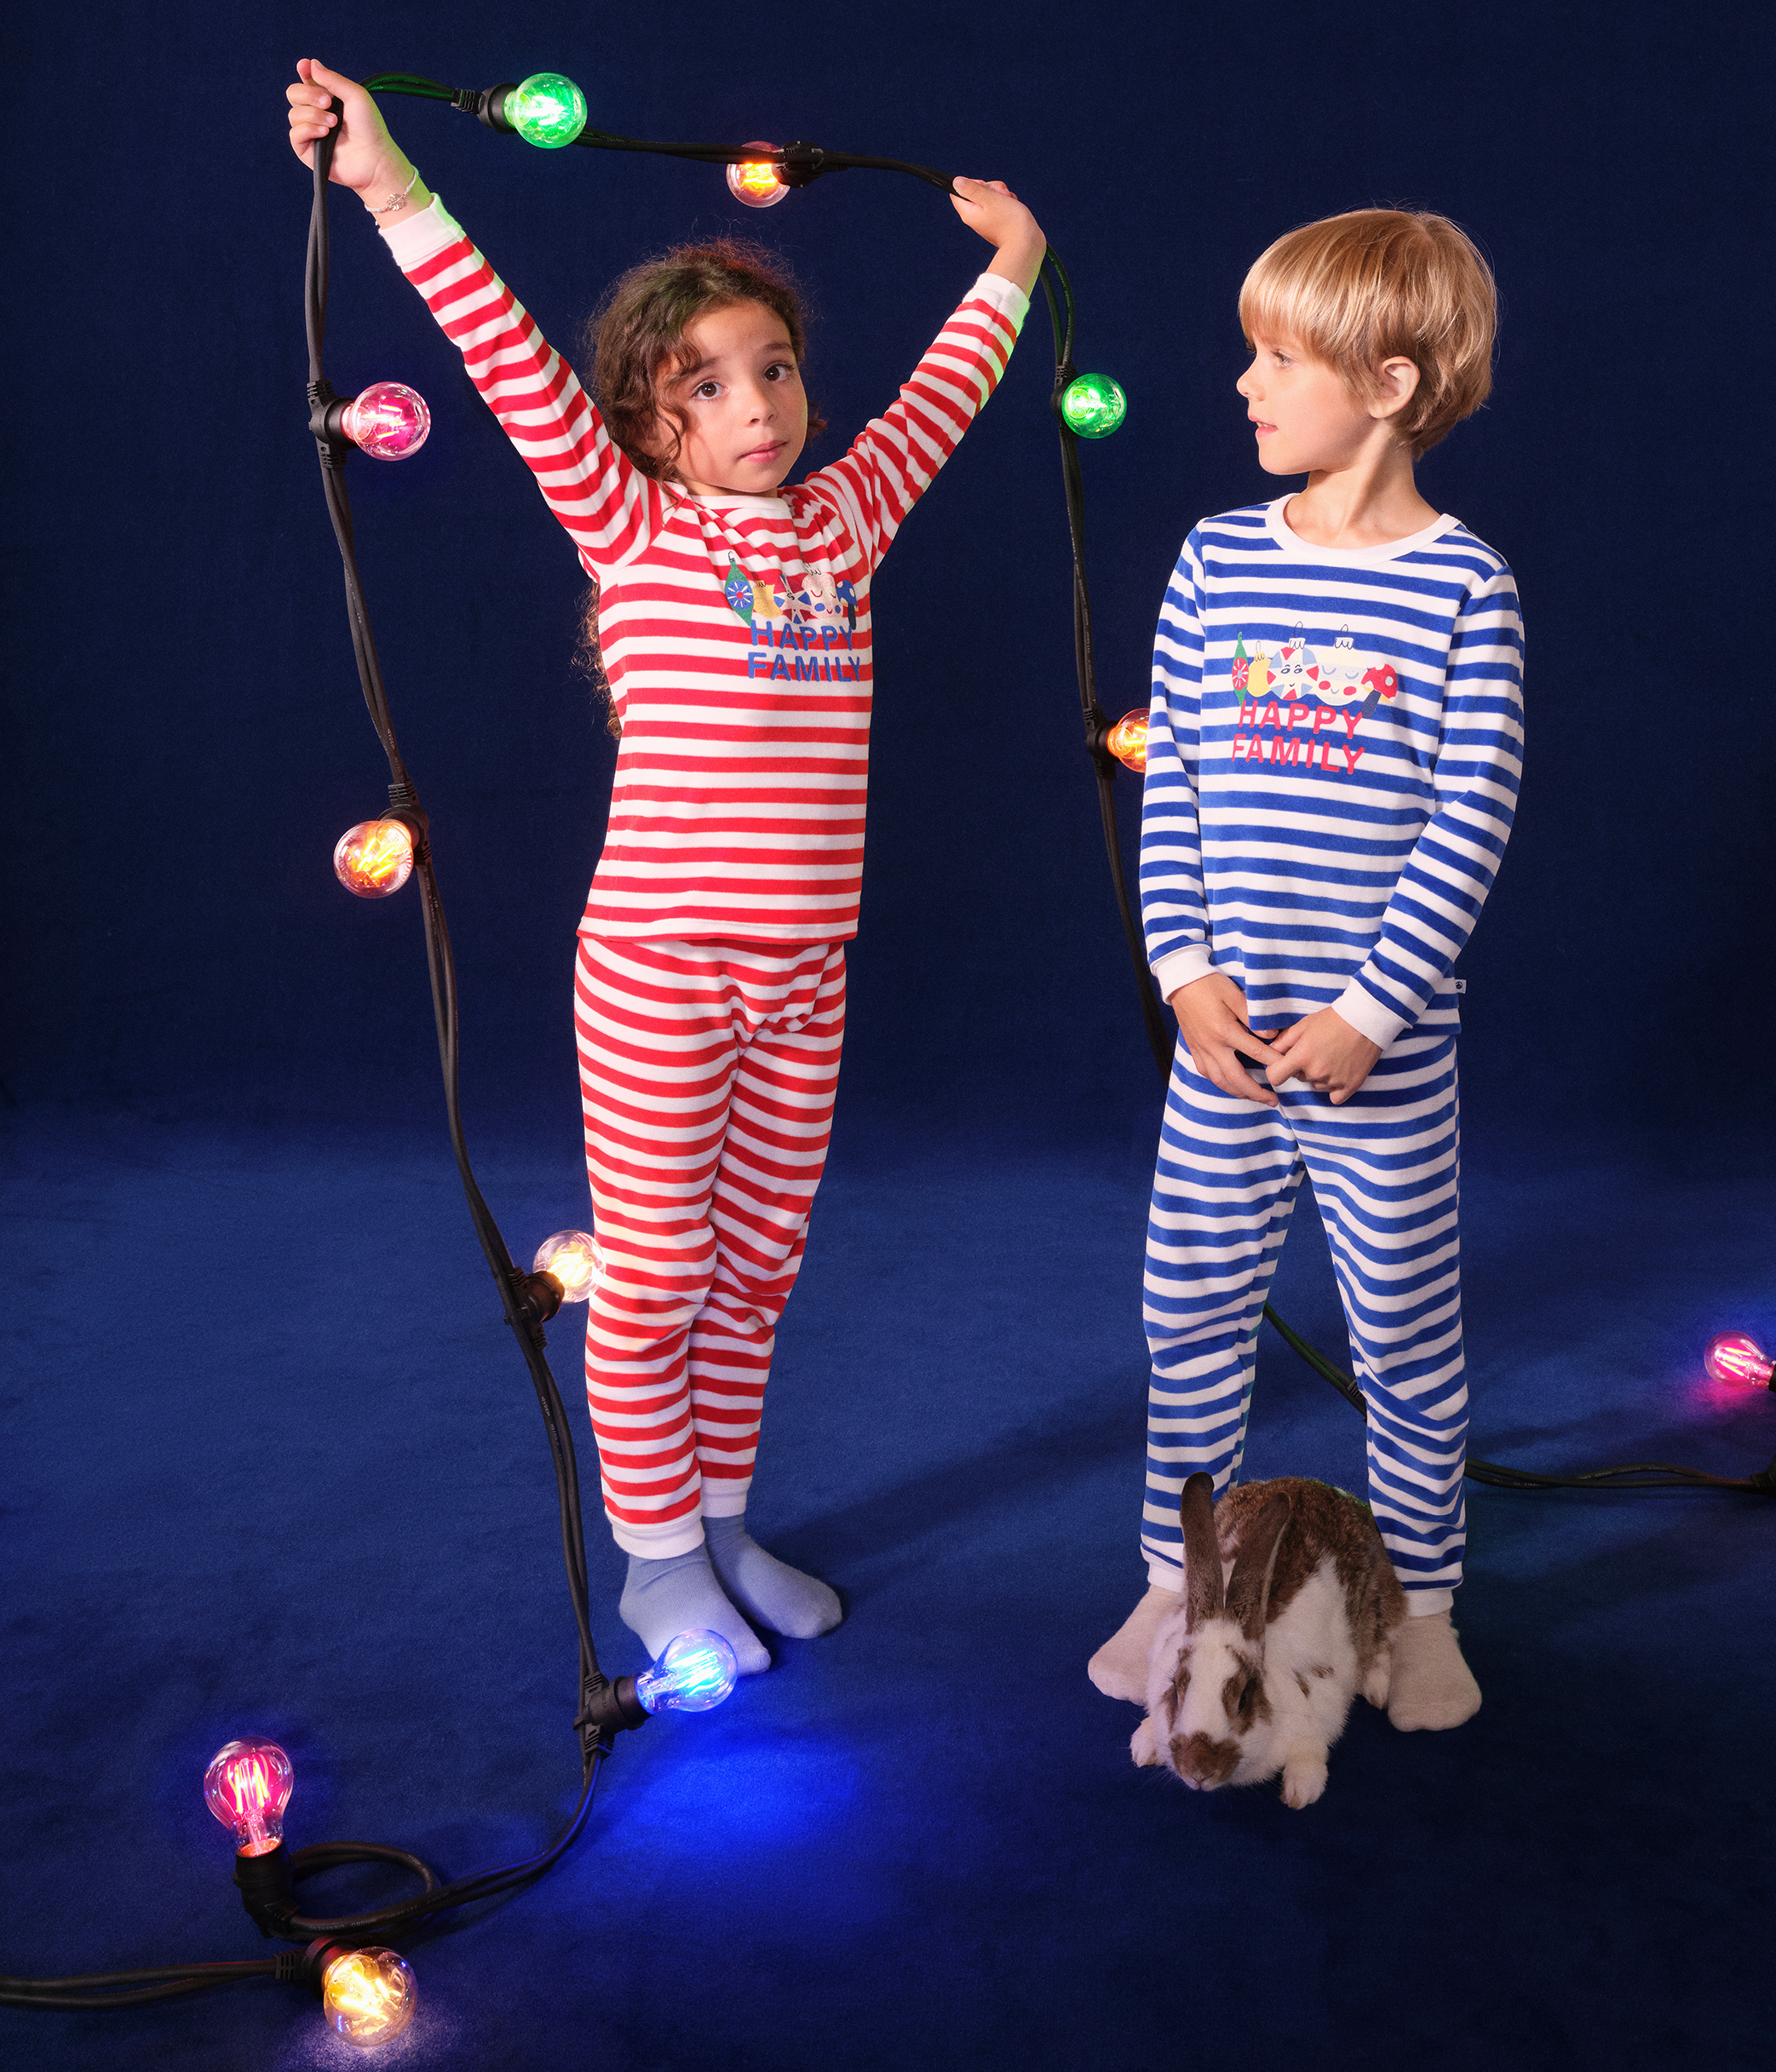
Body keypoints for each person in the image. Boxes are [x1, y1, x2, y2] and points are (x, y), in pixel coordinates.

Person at [286, 60, 1047, 1674]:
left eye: (773, 370)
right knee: (652, 1278)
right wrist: (386, 179)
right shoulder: (630, 527)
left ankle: (721, 1523)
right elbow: (499, 349)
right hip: (662, 971)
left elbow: (943, 397)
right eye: (706, 387)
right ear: (646, 420)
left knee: (757, 1271)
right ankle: (652, 1565)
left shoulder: (844, 524)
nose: (755, 406)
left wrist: (1015, 264)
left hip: (805, 975)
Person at [1087, 209, 1524, 1731]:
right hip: (1223, 1049)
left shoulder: (1463, 586)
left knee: (1400, 1332)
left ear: (1389, 385)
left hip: (1372, 1063)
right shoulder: (1215, 561)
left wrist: (1368, 1012)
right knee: (1189, 1313)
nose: (1244, 383)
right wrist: (1184, 973)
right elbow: (1177, 787)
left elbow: (1470, 819)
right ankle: (1174, 1581)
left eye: (1278, 357)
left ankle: (1421, 1605)